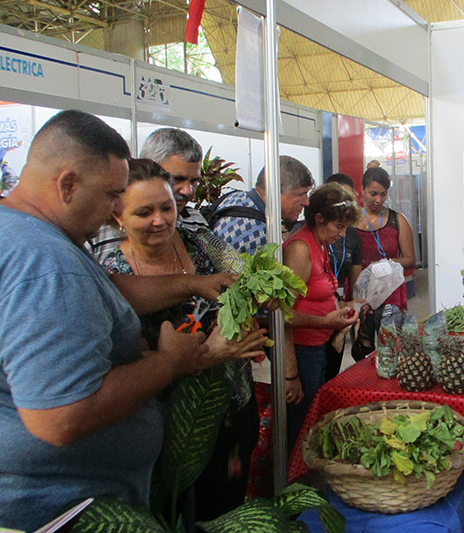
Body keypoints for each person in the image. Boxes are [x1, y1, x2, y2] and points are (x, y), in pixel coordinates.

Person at [0, 110, 259, 531]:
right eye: (110, 196)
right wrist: (169, 362)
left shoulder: (24, 235)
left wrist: (193, 283)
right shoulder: (46, 262)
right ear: (67, 184)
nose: (111, 212)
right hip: (63, 509)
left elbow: (108, 289)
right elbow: (61, 416)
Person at [101, 159, 267, 520]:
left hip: (232, 405)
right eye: (144, 212)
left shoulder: (200, 243)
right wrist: (208, 354)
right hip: (167, 425)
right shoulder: (112, 271)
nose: (159, 220)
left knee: (226, 509)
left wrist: (248, 305)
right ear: (118, 216)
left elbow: (245, 277)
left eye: (167, 207)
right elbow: (127, 364)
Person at [282, 182, 360, 450]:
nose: (342, 234)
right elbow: (281, 315)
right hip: (304, 350)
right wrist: (323, 322)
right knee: (302, 421)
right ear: (319, 219)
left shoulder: (319, 242)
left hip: (317, 345)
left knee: (313, 417)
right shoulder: (299, 249)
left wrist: (341, 309)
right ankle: (295, 481)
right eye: (338, 227)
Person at [90, 127, 207, 261]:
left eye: (194, 181)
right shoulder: (95, 229)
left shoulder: (195, 222)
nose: (188, 190)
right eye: (177, 179)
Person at [353, 166, 416, 360]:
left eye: (383, 194)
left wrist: (384, 264)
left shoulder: (398, 221)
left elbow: (410, 259)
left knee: (390, 349)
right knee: (361, 350)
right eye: (373, 194)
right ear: (361, 190)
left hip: (390, 297)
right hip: (361, 296)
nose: (378, 200)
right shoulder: (351, 221)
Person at [212, 156, 315, 251]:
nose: (306, 202)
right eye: (301, 194)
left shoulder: (233, 199)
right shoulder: (260, 236)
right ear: (275, 192)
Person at [323, 173, 364, 380]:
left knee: (332, 370)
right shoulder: (309, 233)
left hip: (340, 308)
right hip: (316, 314)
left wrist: (353, 306)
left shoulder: (353, 237)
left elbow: (356, 283)